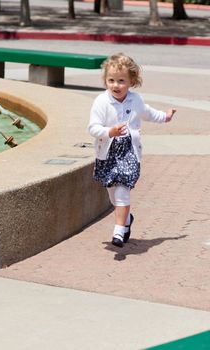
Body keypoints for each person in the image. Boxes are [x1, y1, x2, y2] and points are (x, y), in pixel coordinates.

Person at [88, 53, 177, 248]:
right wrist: (109, 131)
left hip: (128, 152)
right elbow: (92, 128)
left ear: (131, 81)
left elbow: (148, 113)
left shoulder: (135, 100)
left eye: (121, 81)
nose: (116, 85)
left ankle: (119, 231)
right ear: (105, 81)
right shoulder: (101, 102)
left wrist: (166, 116)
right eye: (111, 80)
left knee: (122, 192)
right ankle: (127, 220)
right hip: (108, 153)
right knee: (113, 193)